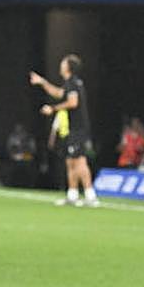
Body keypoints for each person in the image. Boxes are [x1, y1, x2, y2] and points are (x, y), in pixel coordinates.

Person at [30, 55, 98, 207]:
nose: (60, 65)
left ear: (68, 67)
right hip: (71, 129)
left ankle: (90, 195)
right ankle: (72, 194)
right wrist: (42, 82)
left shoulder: (74, 83)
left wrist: (52, 108)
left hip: (78, 129)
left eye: (63, 63)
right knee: (70, 161)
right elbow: (59, 94)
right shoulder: (69, 84)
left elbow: (73, 103)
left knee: (80, 161)